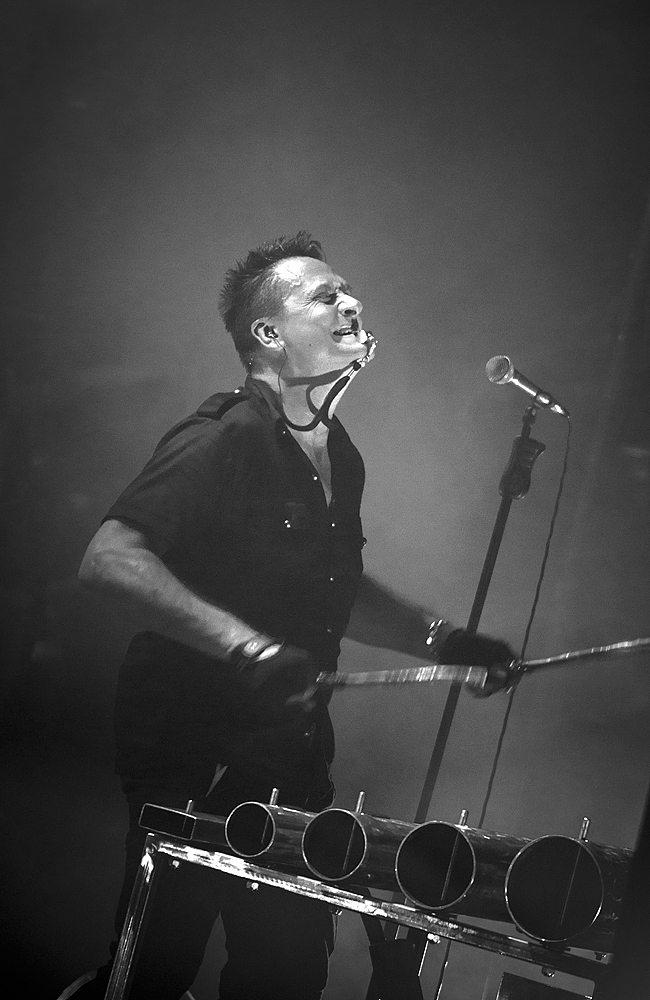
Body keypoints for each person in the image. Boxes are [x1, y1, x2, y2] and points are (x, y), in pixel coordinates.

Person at [74, 231, 515, 1000]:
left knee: (285, 973)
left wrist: (443, 638)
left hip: (288, 751)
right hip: (193, 738)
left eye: (349, 291)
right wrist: (247, 649)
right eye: (324, 295)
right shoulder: (224, 435)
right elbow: (110, 558)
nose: (352, 302)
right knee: (158, 960)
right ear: (269, 334)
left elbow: (336, 586)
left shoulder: (340, 455)